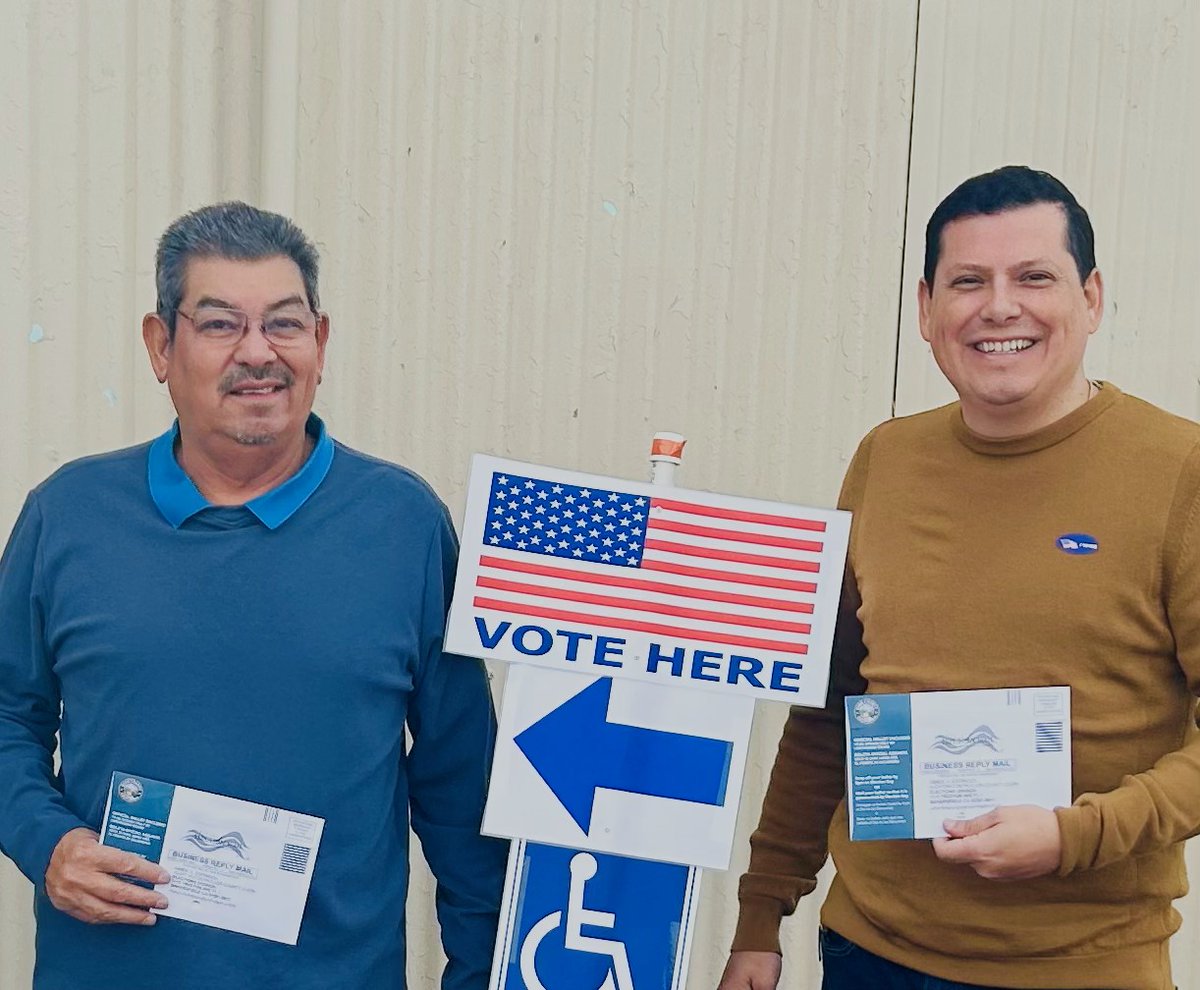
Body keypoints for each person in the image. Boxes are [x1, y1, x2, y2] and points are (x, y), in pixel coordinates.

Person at [0, 202, 508, 989]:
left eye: (284, 323)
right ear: (160, 346)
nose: (258, 353)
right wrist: (47, 842)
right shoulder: (69, 516)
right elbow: (7, 717)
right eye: (219, 325)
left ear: (320, 343)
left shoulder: (402, 526)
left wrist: (478, 975)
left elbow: (462, 785)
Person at [718, 166, 1200, 990]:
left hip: (1081, 967)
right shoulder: (887, 459)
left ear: (1091, 298)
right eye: (968, 281)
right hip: (870, 952)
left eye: (1034, 277)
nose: (999, 308)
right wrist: (761, 915)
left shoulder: (1179, 472)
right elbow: (830, 707)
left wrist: (1076, 835)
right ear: (926, 309)